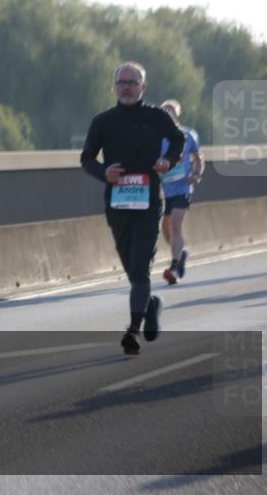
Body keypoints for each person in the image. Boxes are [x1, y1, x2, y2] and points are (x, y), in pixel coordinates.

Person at [80, 62, 185, 355]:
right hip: (117, 204)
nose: (126, 86)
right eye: (121, 82)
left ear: (143, 87)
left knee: (140, 267)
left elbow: (179, 139)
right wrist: (104, 172)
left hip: (149, 201)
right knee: (131, 269)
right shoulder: (103, 121)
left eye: (132, 82)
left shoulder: (156, 117)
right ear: (114, 87)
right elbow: (87, 158)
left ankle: (132, 331)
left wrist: (168, 161)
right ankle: (150, 304)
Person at [157, 99, 204, 284]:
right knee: (166, 228)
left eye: (171, 111)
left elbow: (198, 158)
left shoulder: (187, 134)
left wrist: (197, 174)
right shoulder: (156, 137)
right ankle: (180, 253)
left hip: (183, 187)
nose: (168, 114)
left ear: (178, 115)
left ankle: (175, 267)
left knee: (176, 224)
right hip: (164, 189)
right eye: (164, 111)